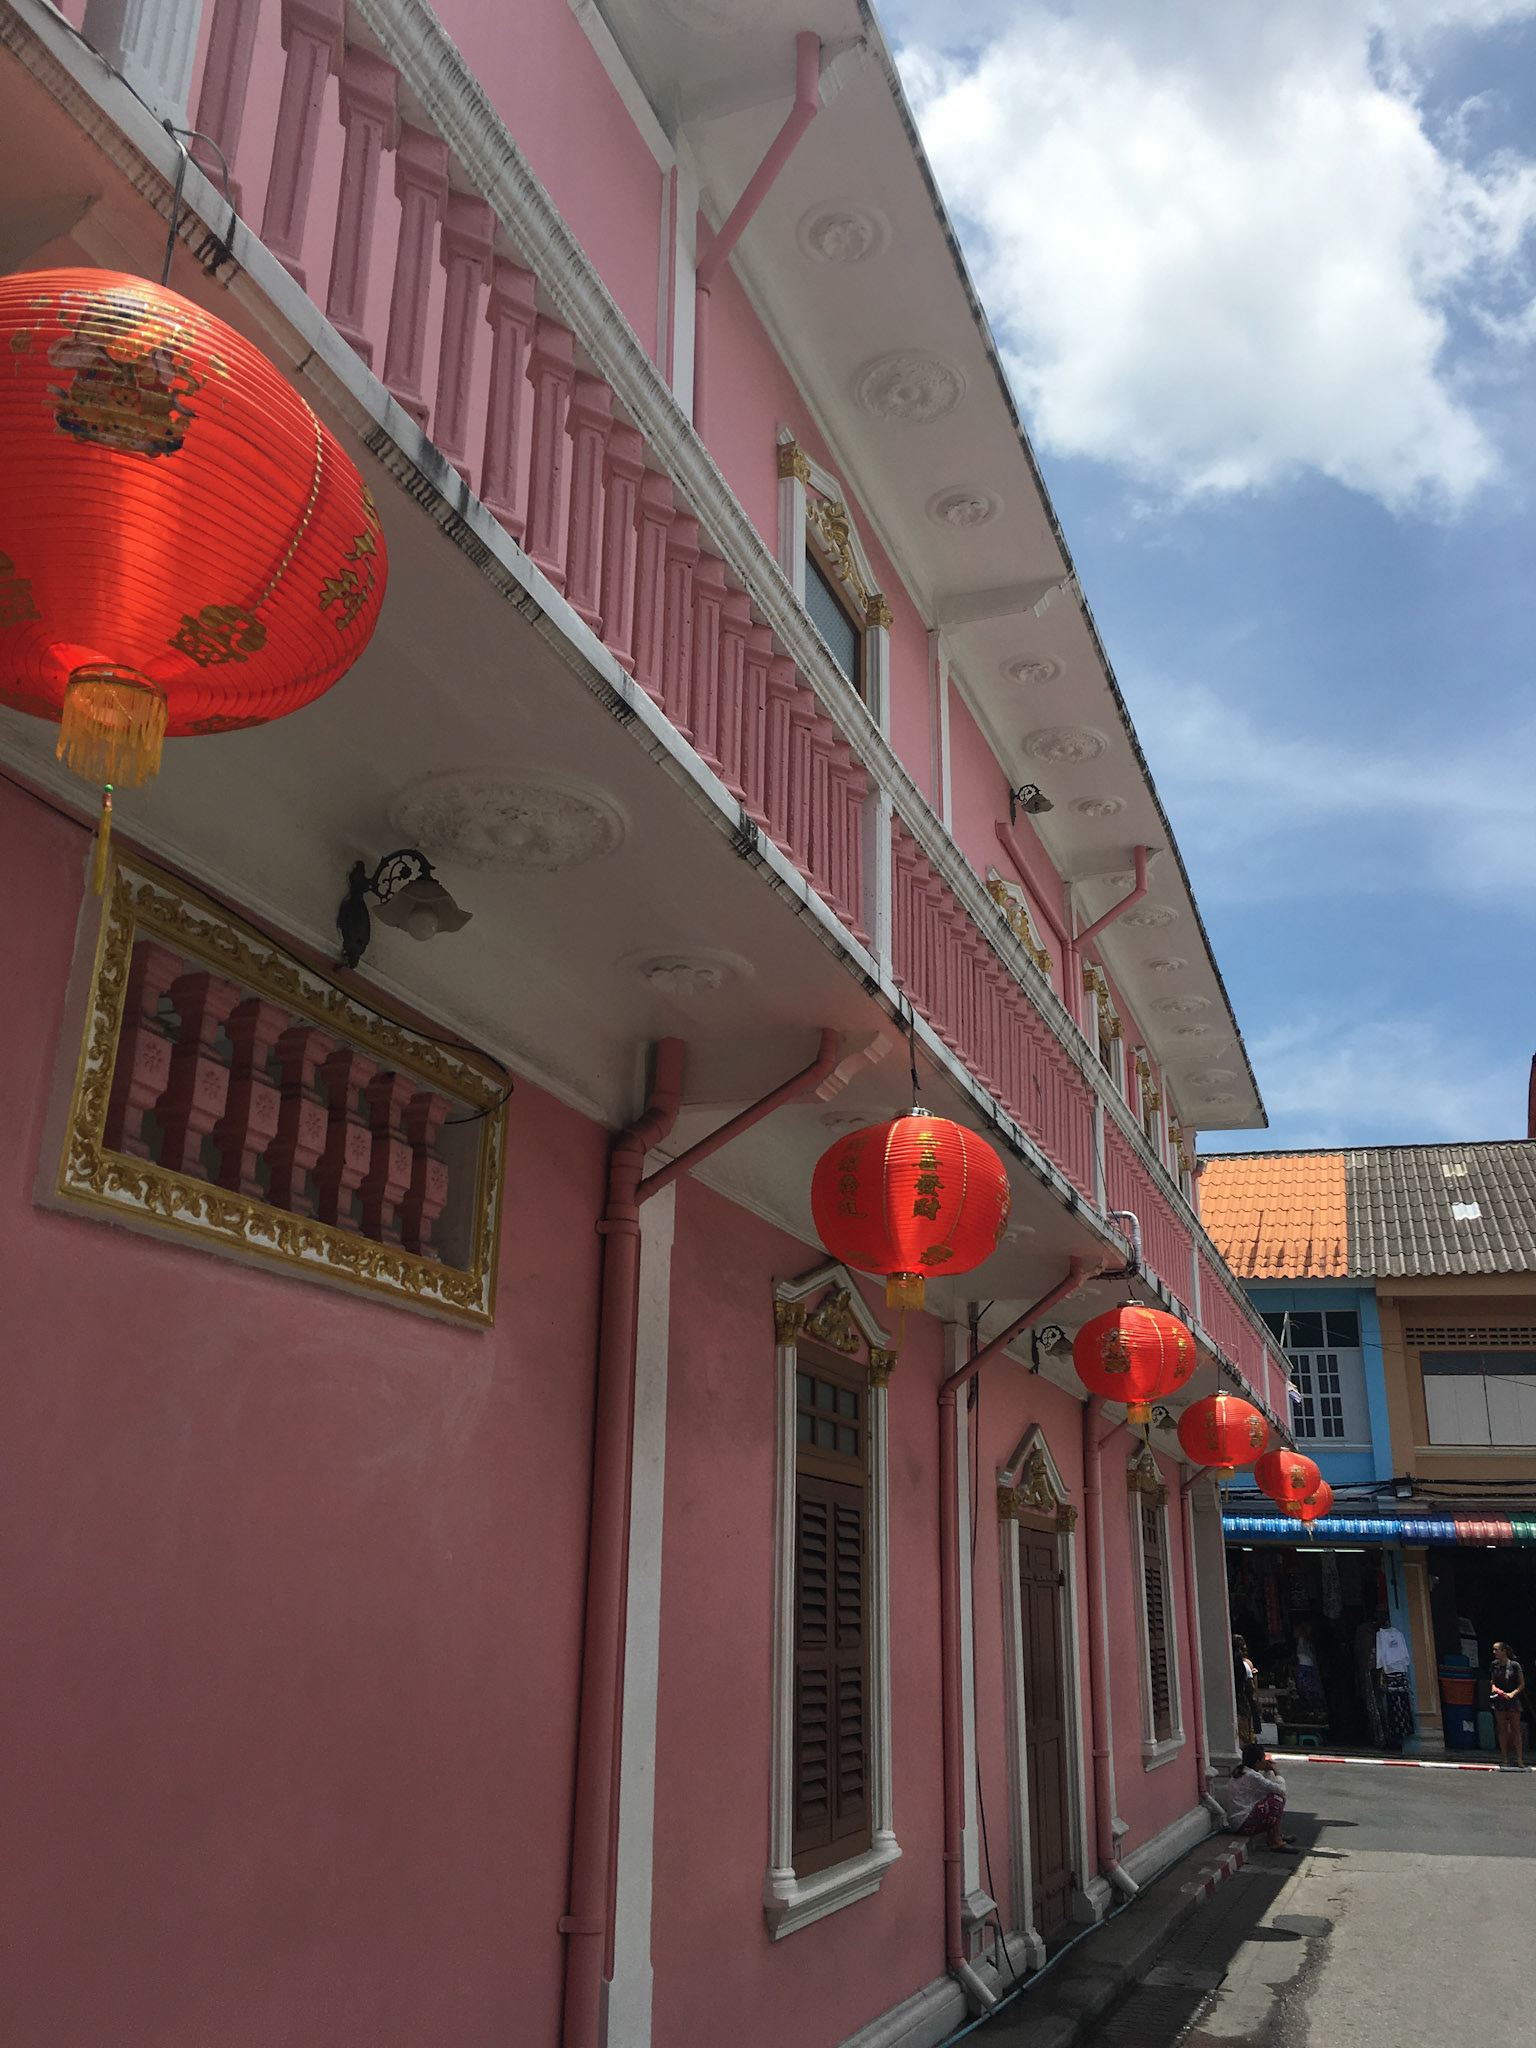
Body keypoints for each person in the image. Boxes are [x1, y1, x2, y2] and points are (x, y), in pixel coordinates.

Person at [1228, 1742, 1297, 1850]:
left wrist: (1268, 1772)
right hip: (1243, 1823)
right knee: (1277, 1800)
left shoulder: (1243, 1772)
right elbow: (1281, 1790)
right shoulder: (1252, 1776)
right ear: (1257, 1762)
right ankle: (1276, 1841)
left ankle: (1277, 1835)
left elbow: (1266, 1788)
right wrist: (1277, 1772)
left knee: (1271, 1798)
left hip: (1238, 1821)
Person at [1490, 1642, 1525, 1768]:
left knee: (1516, 1730)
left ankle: (1519, 1759)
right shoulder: (1494, 1665)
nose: (1494, 1652)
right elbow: (1492, 1681)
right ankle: (1504, 1758)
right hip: (1500, 1700)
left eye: (1496, 1650)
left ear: (1504, 1651)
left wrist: (1512, 1694)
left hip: (1513, 1701)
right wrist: (1494, 1688)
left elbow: (1521, 1684)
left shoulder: (1515, 1665)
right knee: (1502, 1729)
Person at [1233, 1633, 1259, 1744]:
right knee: (1245, 1736)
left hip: (1231, 1704)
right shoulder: (1245, 1666)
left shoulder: (1226, 1665)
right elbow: (1251, 1688)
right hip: (1241, 1703)